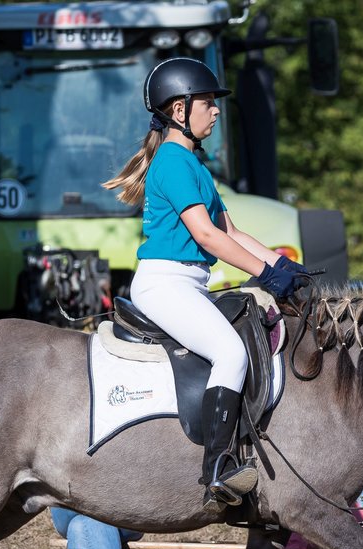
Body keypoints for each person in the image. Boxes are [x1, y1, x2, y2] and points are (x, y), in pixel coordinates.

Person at [103, 57, 308, 512]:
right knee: (230, 351)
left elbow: (232, 232)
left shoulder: (194, 165)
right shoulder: (173, 163)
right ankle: (218, 467)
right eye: (208, 103)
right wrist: (265, 275)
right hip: (164, 285)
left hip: (189, 284)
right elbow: (207, 236)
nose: (216, 111)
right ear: (180, 111)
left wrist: (286, 268)